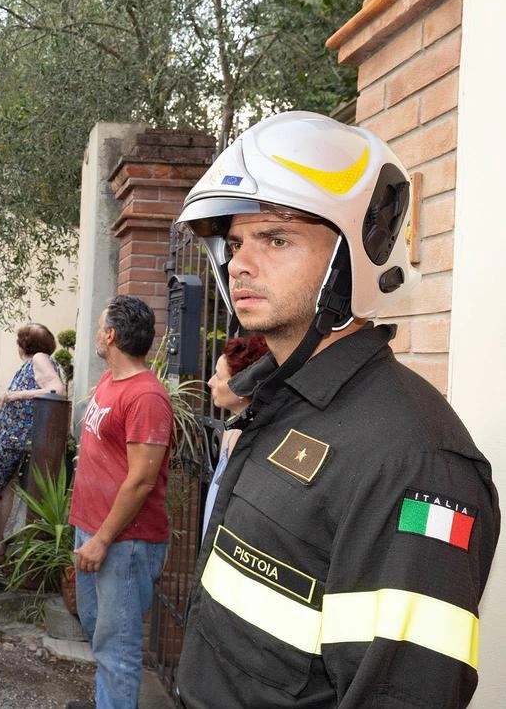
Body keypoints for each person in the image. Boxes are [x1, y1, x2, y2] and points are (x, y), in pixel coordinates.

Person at [172, 111, 498, 709]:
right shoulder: (273, 403)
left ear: (351, 258)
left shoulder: (415, 463)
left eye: (275, 238)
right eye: (238, 242)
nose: (240, 263)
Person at [65, 295, 172, 709]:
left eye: (98, 326)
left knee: (118, 646)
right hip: (95, 531)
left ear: (110, 335)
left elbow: (142, 480)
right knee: (98, 629)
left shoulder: (147, 396)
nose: (95, 333)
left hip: (123, 544)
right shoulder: (111, 381)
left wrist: (102, 540)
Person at [0, 322, 66, 565]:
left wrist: (16, 395)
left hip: (14, 440)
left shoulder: (39, 359)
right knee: (5, 486)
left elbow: (58, 390)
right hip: (12, 436)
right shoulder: (36, 363)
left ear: (24, 344)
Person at [201, 334, 267, 541]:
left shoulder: (254, 437)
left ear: (243, 385)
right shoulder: (231, 427)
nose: (210, 382)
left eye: (219, 377)